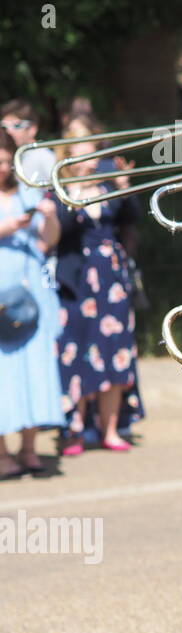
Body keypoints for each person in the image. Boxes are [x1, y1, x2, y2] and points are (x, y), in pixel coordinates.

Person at [53, 139, 143, 455]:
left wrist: (123, 184)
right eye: (82, 154)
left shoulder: (107, 190)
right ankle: (75, 431)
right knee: (75, 352)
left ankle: (110, 428)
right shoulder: (58, 191)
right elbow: (59, 231)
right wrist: (75, 191)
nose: (90, 161)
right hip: (76, 279)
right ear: (69, 158)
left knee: (114, 351)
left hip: (111, 279)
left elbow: (131, 217)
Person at [0, 130, 63, 478]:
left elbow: (46, 243)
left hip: (32, 293)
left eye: (9, 161)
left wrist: (50, 216)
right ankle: (1, 453)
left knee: (32, 368)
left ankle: (28, 449)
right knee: (2, 374)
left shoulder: (27, 191)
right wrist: (8, 227)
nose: (4, 167)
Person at [3, 99, 51, 187]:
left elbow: (62, 189)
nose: (9, 131)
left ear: (32, 129)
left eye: (16, 126)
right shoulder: (10, 156)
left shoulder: (43, 156)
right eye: (4, 127)